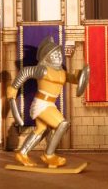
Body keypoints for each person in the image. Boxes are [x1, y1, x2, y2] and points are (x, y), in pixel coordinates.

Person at [7, 36, 89, 168]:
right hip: (41, 104)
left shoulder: (61, 71)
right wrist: (14, 88)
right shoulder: (43, 69)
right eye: (54, 54)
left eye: (59, 53)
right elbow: (25, 72)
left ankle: (22, 153)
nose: (58, 56)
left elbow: (72, 78)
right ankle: (49, 155)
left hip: (49, 104)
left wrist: (81, 77)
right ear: (47, 57)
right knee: (63, 124)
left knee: (41, 129)